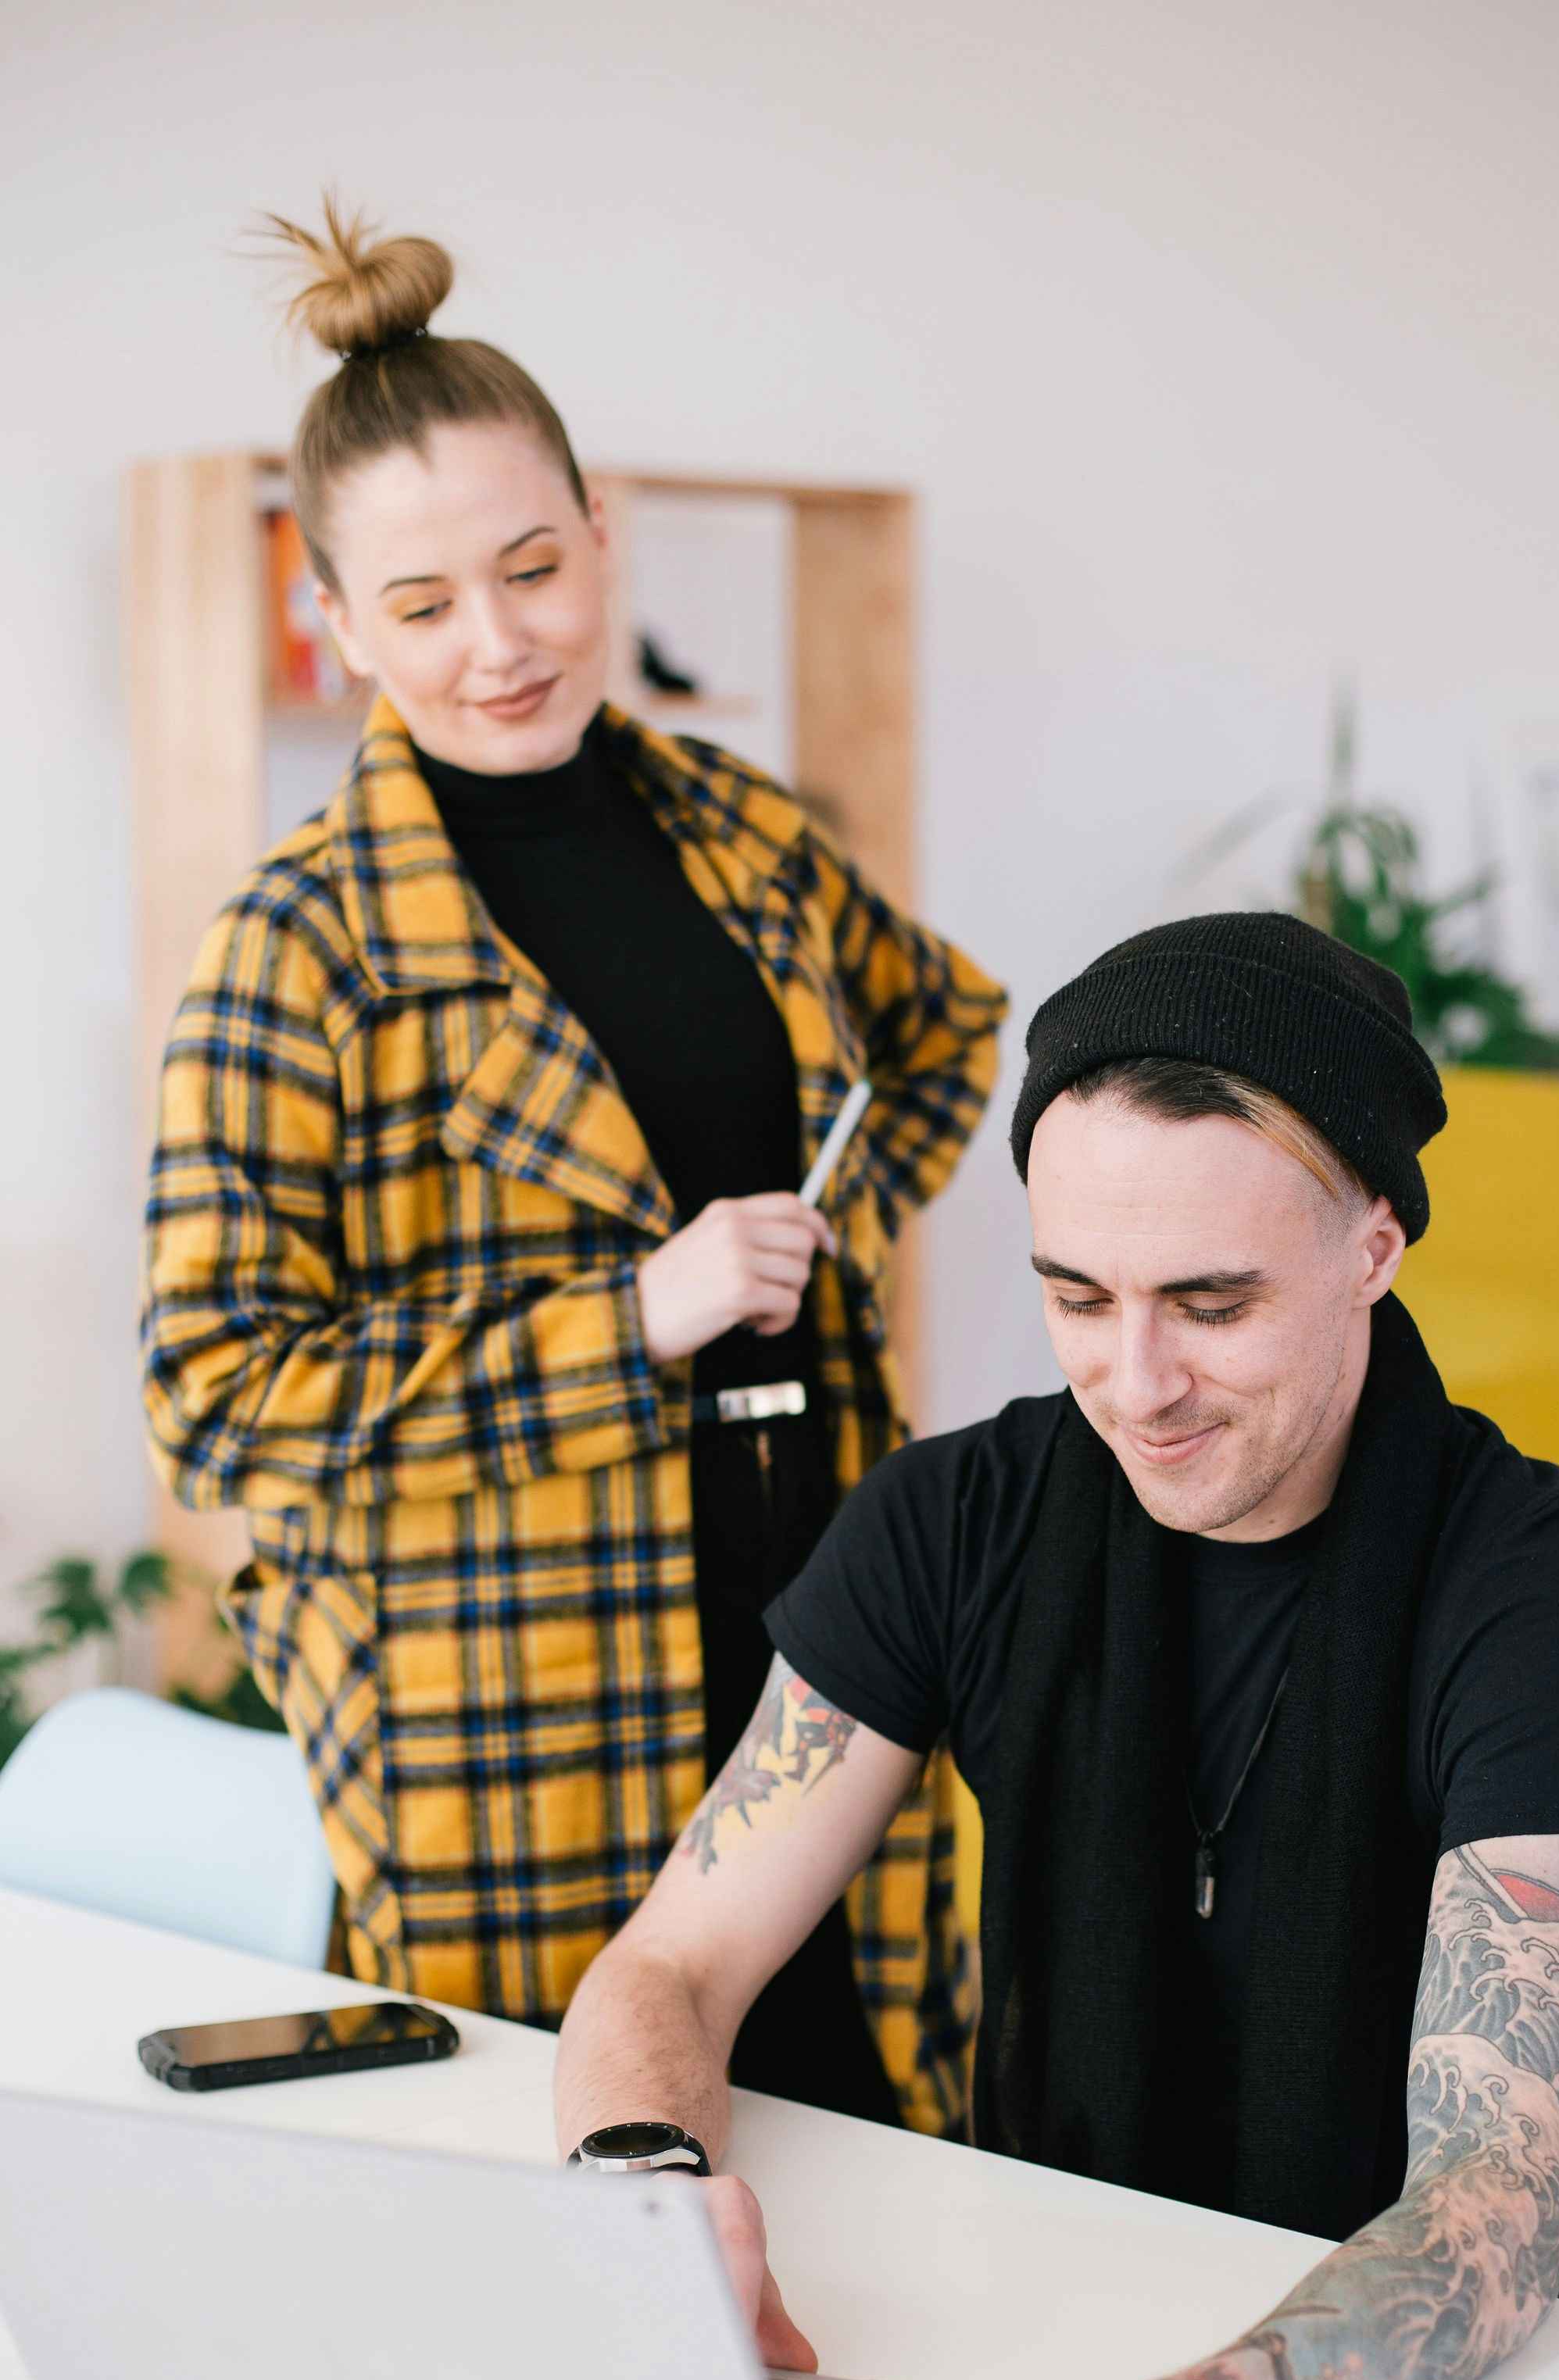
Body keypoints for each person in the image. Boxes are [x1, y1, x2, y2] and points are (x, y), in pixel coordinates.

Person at [554, 912, 1559, 2380]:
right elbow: (672, 1966)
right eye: (1077, 1296)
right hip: (1042, 2329)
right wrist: (648, 2192)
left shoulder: (1529, 1594)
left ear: (1375, 1246)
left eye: (1209, 1304)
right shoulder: (960, 1521)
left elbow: (1498, 2202)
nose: (1132, 1381)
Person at [140, 200, 1007, 2135]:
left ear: (604, 532)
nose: (502, 641)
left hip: (823, 1621)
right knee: (574, 2216)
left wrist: (815, 1250)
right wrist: (633, 1321)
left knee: (886, 2154)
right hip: (504, 1708)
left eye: (534, 568)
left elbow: (942, 1030)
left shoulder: (739, 829)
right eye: (426, 604)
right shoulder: (298, 946)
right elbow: (213, 1411)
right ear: (334, 621)